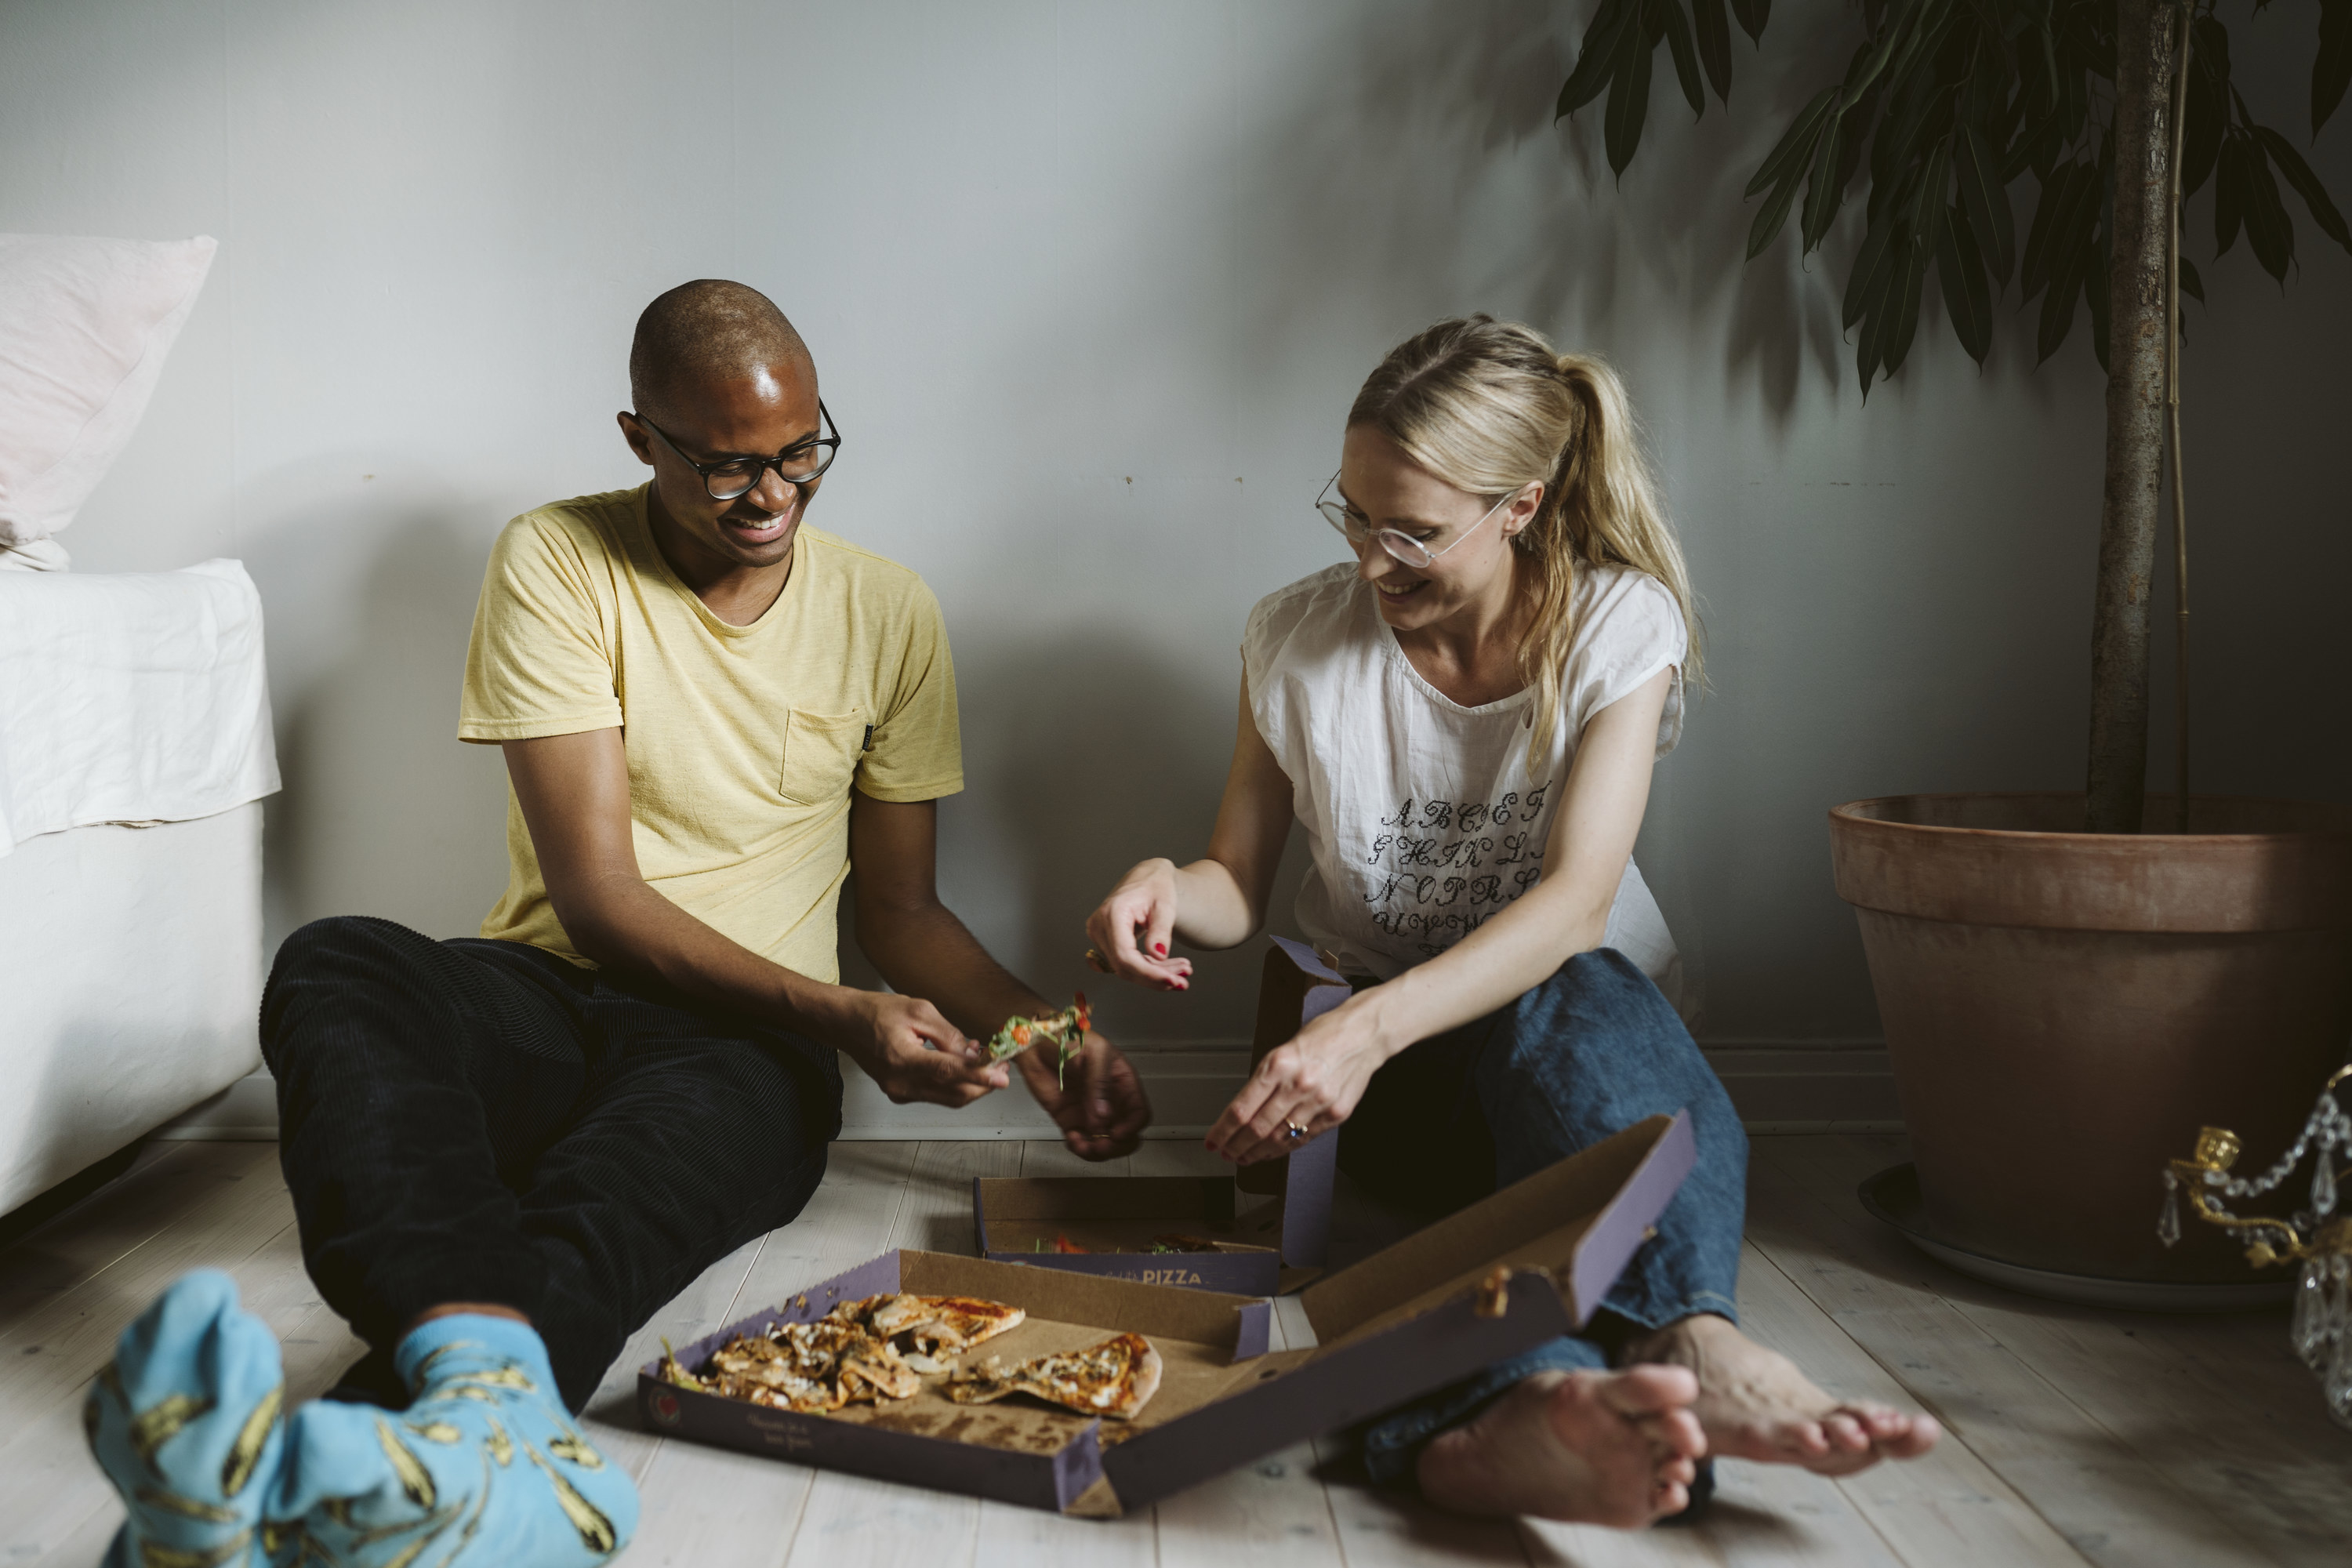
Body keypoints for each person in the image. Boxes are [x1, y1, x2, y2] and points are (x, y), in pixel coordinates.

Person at [81, 280, 1149, 1568]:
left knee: (610, 1210)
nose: (774, 498)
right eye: (728, 467)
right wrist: (849, 1015)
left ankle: (287, 1502)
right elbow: (599, 897)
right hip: (550, 990)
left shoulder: (889, 611)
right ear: (642, 439)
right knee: (335, 961)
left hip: (747, 1050)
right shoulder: (557, 558)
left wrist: (1043, 1029)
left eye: (802, 454)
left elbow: (902, 912)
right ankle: (473, 1450)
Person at [1085, 315, 1940, 1527]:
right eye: (1354, 513)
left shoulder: (1616, 625)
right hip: (1382, 1092)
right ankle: (1564, 1401)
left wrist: (1366, 1027)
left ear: (1523, 505)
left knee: (1583, 988)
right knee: (1458, 1252)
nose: (1375, 561)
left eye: (1416, 533)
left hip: (1590, 1074)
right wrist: (1167, 885)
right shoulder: (1292, 638)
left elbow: (1577, 902)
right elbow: (1236, 875)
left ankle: (1612, 1379)